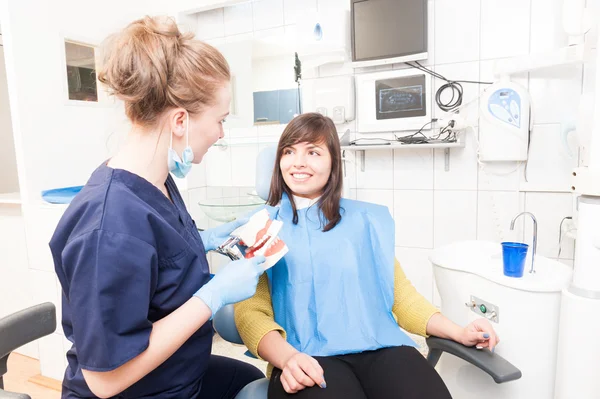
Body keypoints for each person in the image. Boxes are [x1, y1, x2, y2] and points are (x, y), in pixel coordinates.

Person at [49, 16, 265, 399]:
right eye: (220, 120)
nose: (220, 133)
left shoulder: (156, 180)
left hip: (177, 372)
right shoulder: (108, 225)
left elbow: (155, 258)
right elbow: (104, 380)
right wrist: (212, 297)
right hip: (133, 391)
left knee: (251, 380)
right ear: (180, 120)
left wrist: (208, 239)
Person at [234, 113, 500, 399]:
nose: (298, 162)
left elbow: (400, 298)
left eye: (313, 151)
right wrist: (287, 359)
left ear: (334, 162)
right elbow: (251, 313)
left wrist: (460, 332)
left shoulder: (364, 222)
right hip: (303, 353)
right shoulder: (261, 227)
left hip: (378, 345)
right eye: (289, 151)